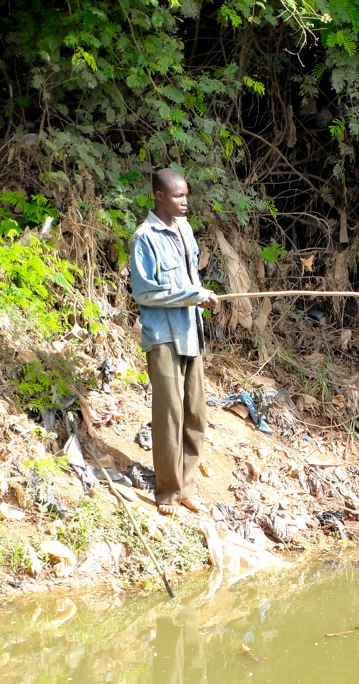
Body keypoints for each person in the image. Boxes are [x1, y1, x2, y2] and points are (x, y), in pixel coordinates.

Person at [129, 168, 219, 517]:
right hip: (162, 336)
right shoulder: (144, 238)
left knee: (195, 412)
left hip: (190, 332)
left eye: (186, 195)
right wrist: (193, 295)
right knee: (168, 414)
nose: (185, 202)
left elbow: (191, 277)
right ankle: (167, 493)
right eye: (178, 196)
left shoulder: (184, 229)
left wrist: (198, 298)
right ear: (159, 197)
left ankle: (188, 487)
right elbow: (145, 291)